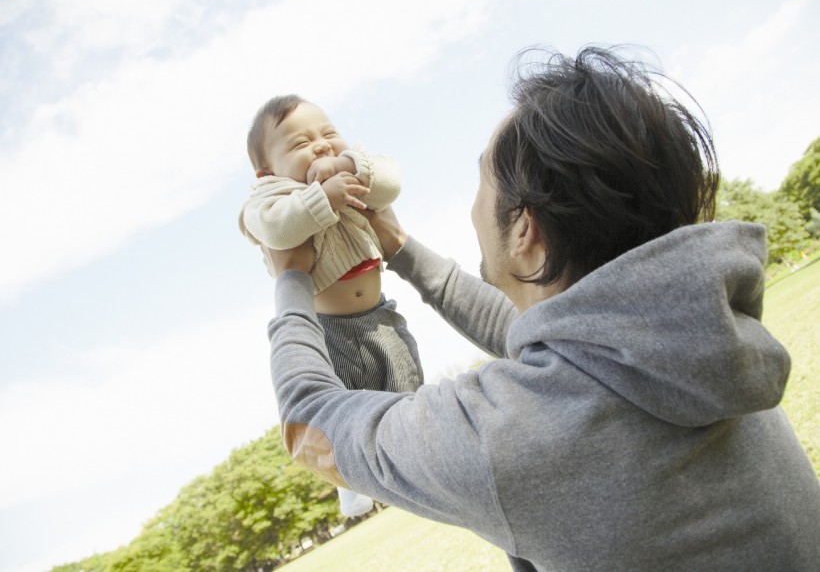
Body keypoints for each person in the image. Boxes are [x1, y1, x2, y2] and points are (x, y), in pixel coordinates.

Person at [262, 47, 820, 570]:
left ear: (524, 227)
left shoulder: (505, 442)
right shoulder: (697, 341)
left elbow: (312, 422)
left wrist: (290, 276)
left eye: (481, 179)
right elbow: (526, 334)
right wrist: (401, 250)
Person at [239, 95, 424, 516]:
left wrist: (348, 169)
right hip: (330, 329)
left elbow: (391, 182)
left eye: (328, 133)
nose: (321, 146)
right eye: (300, 143)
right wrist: (322, 196)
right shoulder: (271, 196)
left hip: (381, 316)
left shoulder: (355, 166)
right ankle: (351, 481)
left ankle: (415, 468)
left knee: (406, 389)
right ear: (267, 171)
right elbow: (278, 229)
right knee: (344, 409)